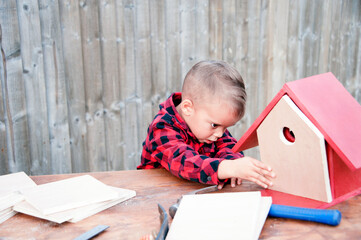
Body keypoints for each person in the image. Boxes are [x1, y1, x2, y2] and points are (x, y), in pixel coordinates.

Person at [137, 60, 275, 189]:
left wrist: (232, 162)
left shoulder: (210, 124)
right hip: (154, 192)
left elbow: (228, 145)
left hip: (190, 191)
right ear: (187, 108)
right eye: (215, 125)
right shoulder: (161, 129)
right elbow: (185, 162)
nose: (220, 133)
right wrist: (228, 168)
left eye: (225, 127)